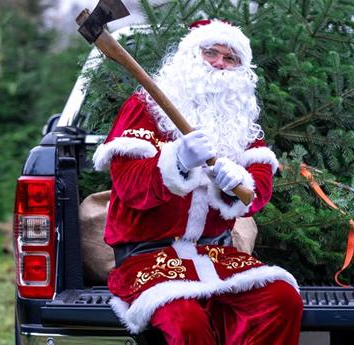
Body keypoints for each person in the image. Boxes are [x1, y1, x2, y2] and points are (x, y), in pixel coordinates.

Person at [93, 19, 303, 345]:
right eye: (211, 53)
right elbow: (129, 187)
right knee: (184, 320)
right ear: (191, 56)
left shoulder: (240, 119)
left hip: (214, 254)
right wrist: (177, 161)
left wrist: (238, 183)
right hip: (148, 256)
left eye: (230, 58)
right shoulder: (143, 108)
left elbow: (257, 189)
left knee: (281, 300)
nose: (220, 63)